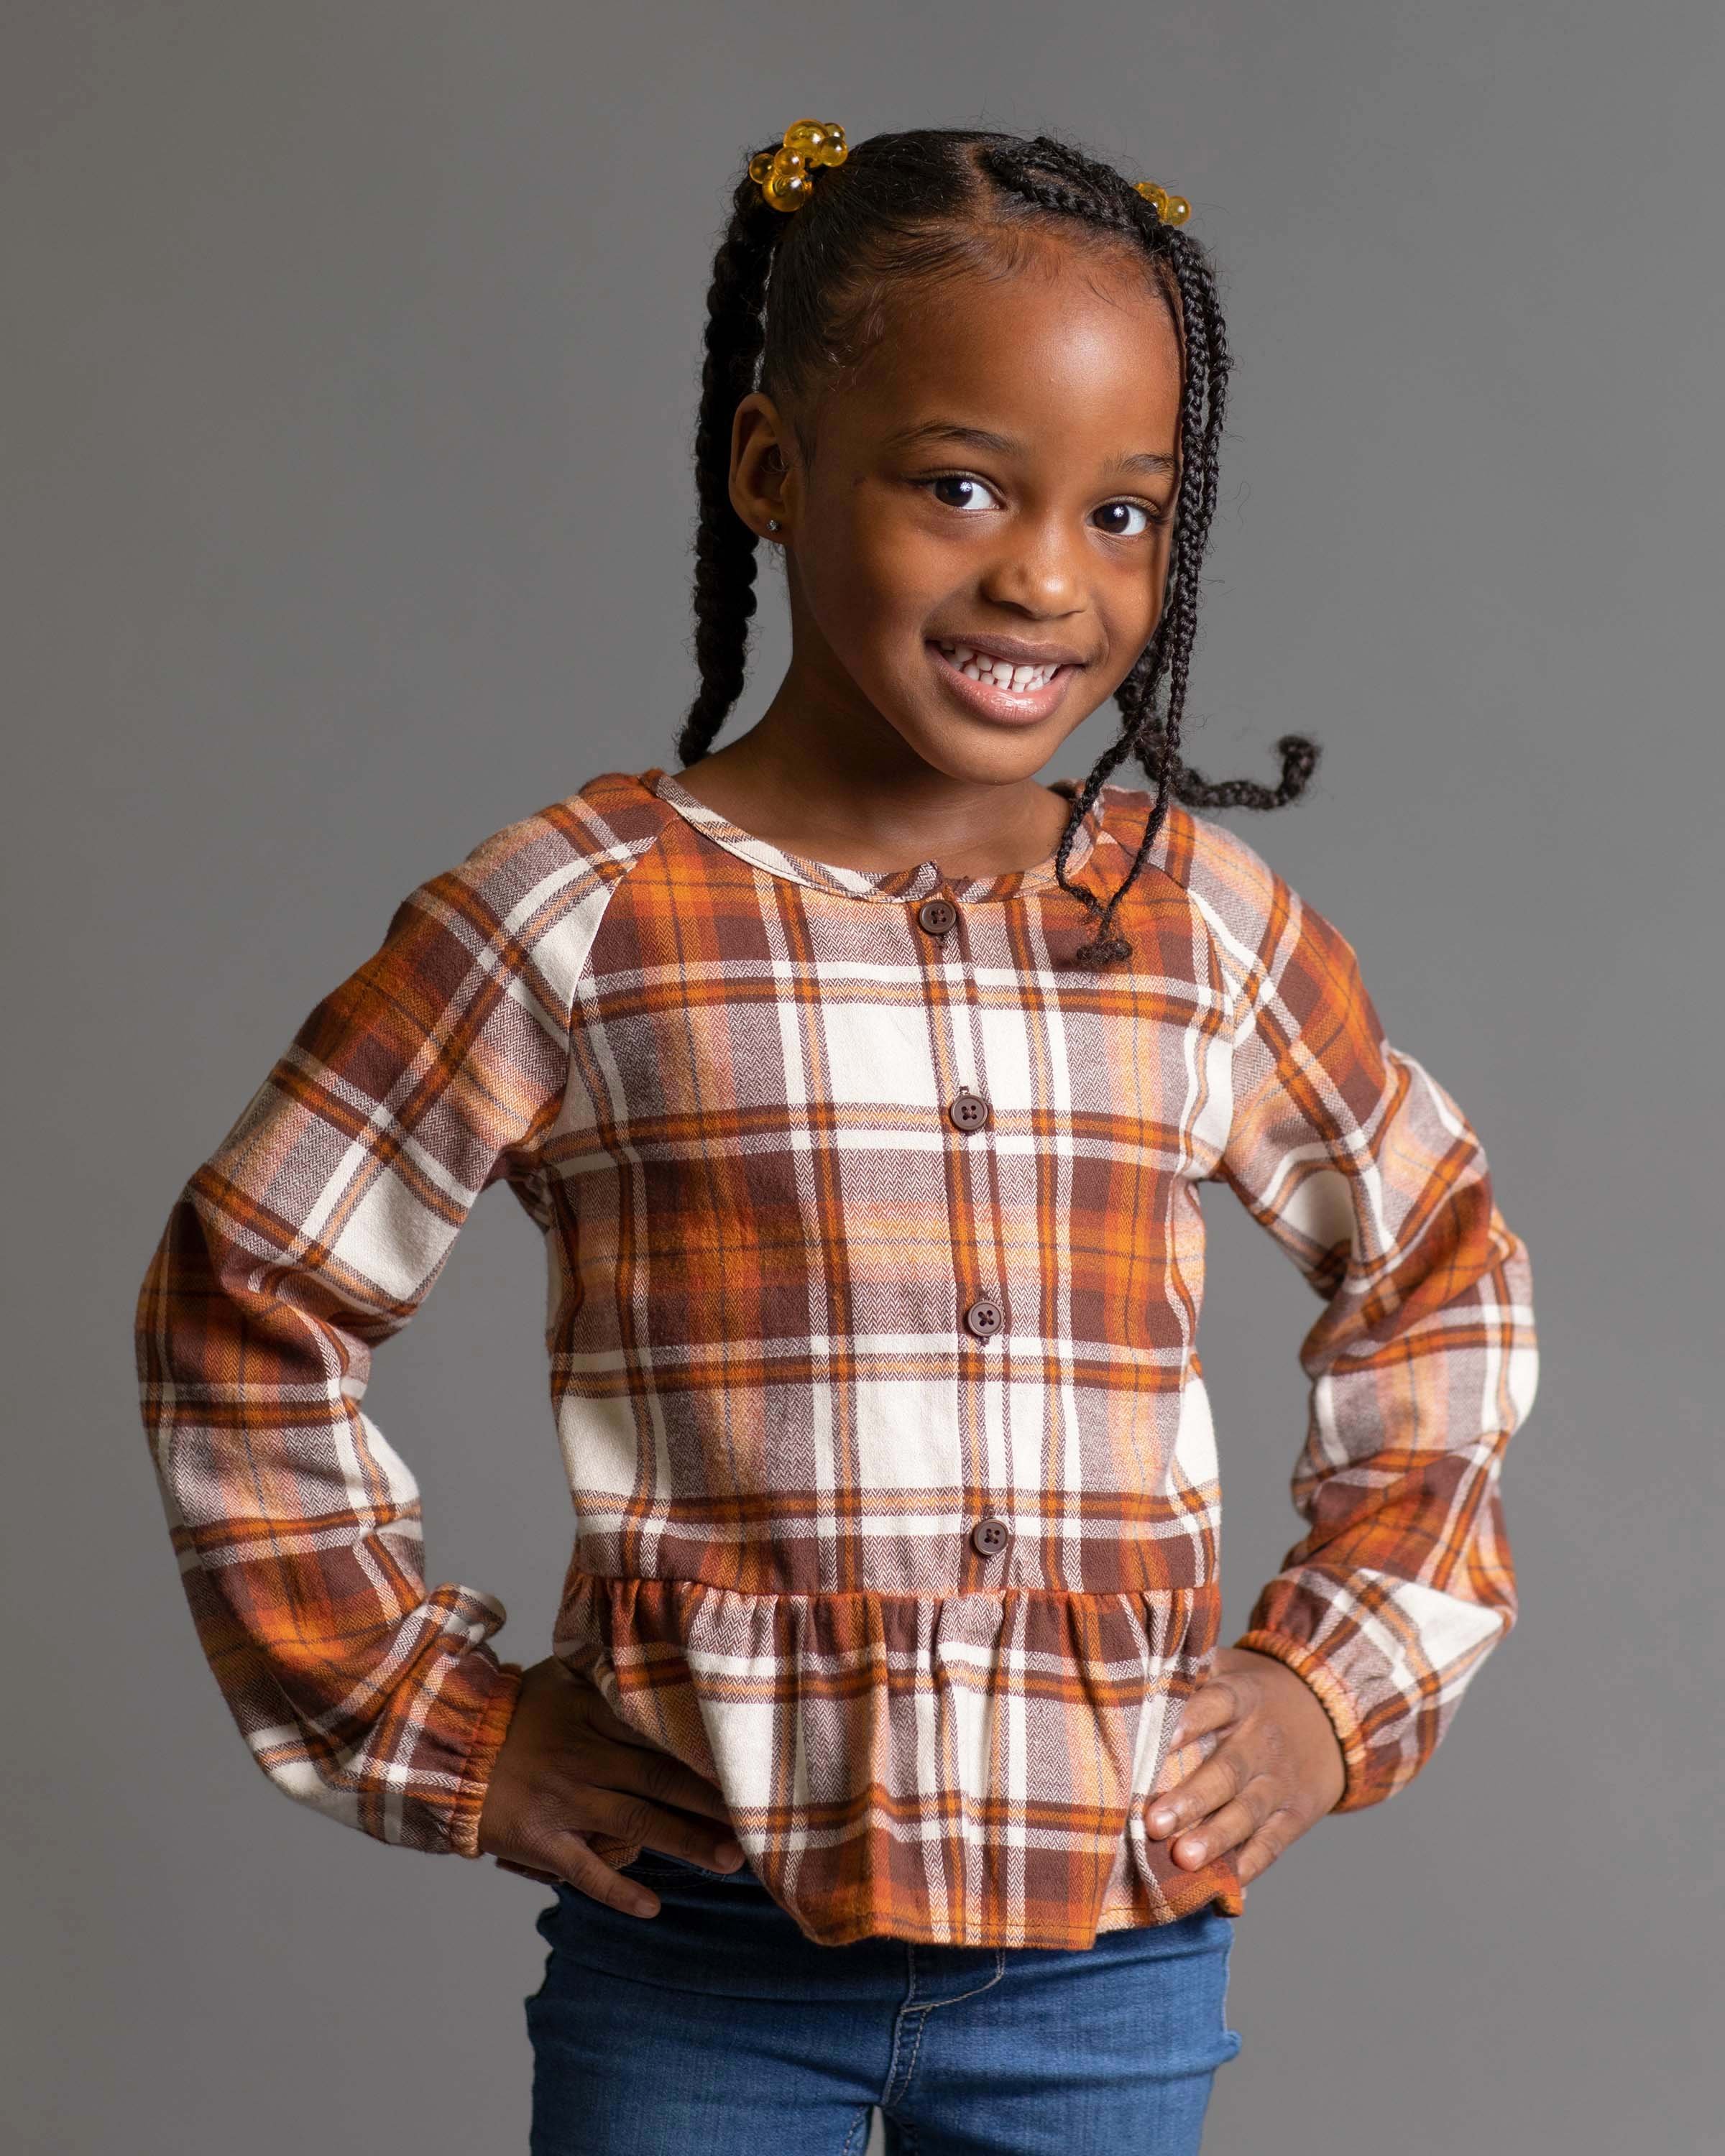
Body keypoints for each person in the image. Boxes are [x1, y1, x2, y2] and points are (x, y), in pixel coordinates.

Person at [133, 122, 1540, 2155]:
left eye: (1127, 512)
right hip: (697, 1952)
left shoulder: (1197, 927)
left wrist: (1336, 1685)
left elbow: (1443, 1269)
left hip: (1115, 1955)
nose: (1049, 577)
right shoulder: (582, 909)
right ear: (773, 469)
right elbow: (248, 1290)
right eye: (962, 485)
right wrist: (431, 1721)